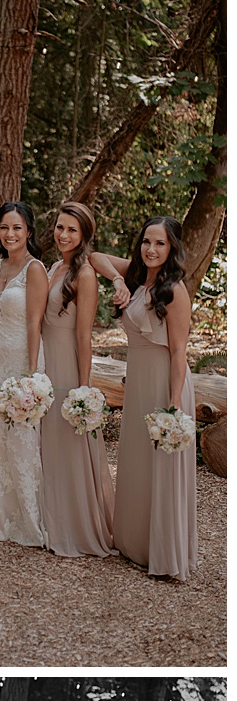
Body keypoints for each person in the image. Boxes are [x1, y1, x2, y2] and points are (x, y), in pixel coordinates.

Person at [93, 216, 199, 580]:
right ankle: (133, 543)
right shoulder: (139, 276)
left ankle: (164, 552)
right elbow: (94, 256)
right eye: (146, 242)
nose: (151, 250)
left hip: (163, 384)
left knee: (161, 464)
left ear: (172, 249)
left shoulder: (174, 291)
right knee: (137, 459)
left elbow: (178, 353)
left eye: (160, 244)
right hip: (138, 380)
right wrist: (118, 280)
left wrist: (173, 408)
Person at [40, 202, 125, 557]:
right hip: (44, 358)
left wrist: (83, 387)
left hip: (66, 364)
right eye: (60, 227)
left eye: (72, 230)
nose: (64, 235)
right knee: (48, 442)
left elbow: (84, 336)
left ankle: (74, 524)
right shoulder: (53, 266)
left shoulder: (85, 273)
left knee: (68, 439)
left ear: (85, 235)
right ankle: (48, 516)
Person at [0, 201, 49, 546]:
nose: (10, 234)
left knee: (21, 440)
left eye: (17, 228)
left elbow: (35, 321)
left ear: (29, 232)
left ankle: (27, 519)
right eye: (5, 227)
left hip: (22, 359)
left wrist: (32, 374)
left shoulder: (35, 269)